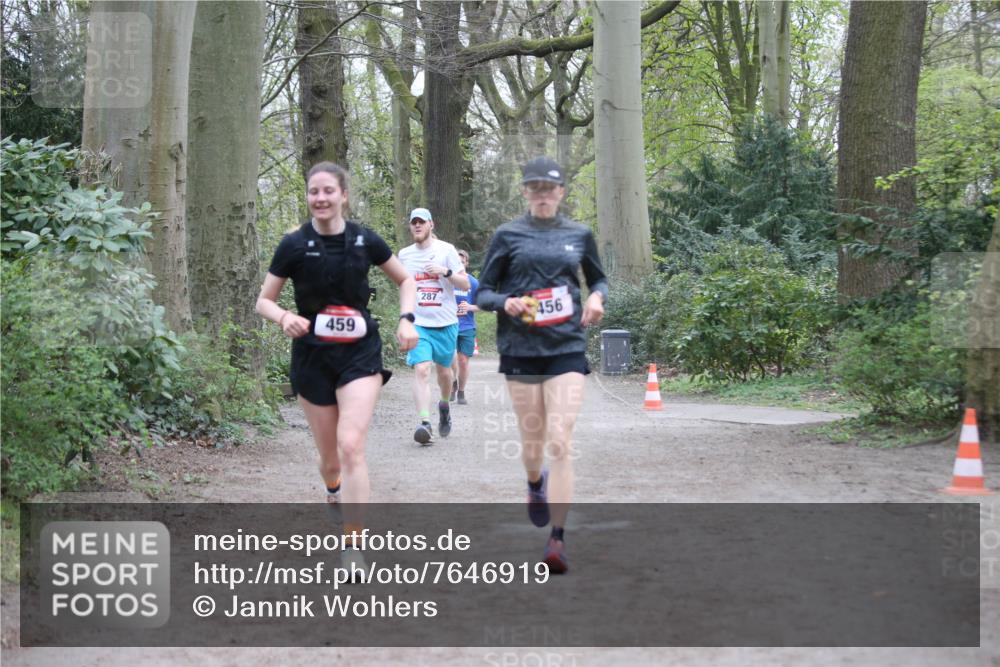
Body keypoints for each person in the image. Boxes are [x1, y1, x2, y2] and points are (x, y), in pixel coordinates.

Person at [256, 162, 418, 565]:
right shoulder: (294, 244)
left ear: (344, 195)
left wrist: (407, 319)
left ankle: (353, 545)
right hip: (312, 356)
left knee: (351, 445)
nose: (321, 198)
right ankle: (332, 486)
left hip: (360, 352)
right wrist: (284, 317)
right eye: (314, 191)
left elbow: (406, 280)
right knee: (330, 459)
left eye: (328, 190)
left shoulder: (365, 239)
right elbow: (264, 301)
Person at [476, 156, 608, 574]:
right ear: (525, 192)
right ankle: (535, 484)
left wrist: (596, 297)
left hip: (566, 346)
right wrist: (506, 302)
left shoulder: (579, 234)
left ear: (561, 192)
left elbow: (598, 278)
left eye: (549, 188)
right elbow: (482, 292)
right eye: (535, 188)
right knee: (533, 442)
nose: (543, 195)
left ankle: (558, 538)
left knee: (560, 439)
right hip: (520, 348)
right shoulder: (507, 235)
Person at [397, 207, 469, 445]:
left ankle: (444, 406)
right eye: (413, 222)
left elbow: (465, 284)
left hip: (445, 322)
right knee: (421, 370)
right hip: (419, 324)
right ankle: (425, 423)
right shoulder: (405, 255)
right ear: (410, 226)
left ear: (431, 224)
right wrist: (404, 319)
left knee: (445, 373)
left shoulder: (446, 250)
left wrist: (445, 272)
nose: (417, 225)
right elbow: (403, 287)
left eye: (422, 221)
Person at [450, 249, 479, 405]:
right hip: (448, 324)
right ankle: (453, 381)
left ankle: (461, 391)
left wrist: (469, 307)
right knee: (451, 358)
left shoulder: (473, 283)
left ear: (466, 263)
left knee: (463, 360)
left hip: (467, 326)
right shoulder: (447, 280)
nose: (459, 264)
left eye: (462, 262)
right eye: (457, 262)